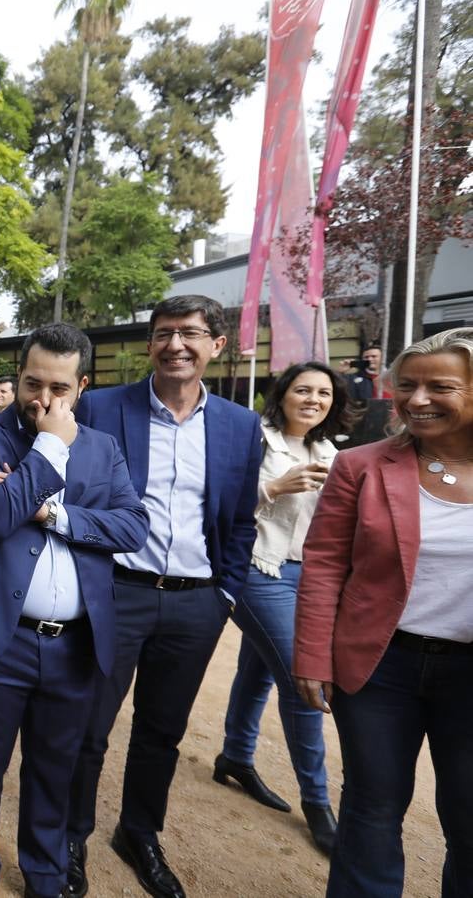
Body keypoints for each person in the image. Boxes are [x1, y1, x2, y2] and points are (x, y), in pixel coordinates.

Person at [0, 323, 149, 898]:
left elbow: (134, 526)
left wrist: (56, 515)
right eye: (33, 384)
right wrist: (51, 446)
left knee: (54, 773)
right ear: (19, 376)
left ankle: (44, 877)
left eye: (59, 388)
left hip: (75, 645)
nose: (44, 400)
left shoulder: (105, 449)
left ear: (82, 384)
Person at [65, 295, 263, 898]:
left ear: (216, 346)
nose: (176, 344)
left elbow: (240, 521)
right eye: (163, 333)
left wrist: (224, 594)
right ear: (149, 344)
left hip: (195, 604)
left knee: (162, 730)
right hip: (114, 594)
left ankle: (139, 832)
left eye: (191, 334)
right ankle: (70, 838)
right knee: (89, 726)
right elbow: (70, 491)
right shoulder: (100, 407)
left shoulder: (240, 424)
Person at [295, 327, 473, 898]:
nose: (416, 400)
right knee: (372, 809)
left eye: (439, 386)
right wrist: (312, 657)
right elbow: (323, 564)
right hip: (380, 668)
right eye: (407, 386)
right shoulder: (361, 466)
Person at [212, 362, 359, 856]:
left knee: (258, 669)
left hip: (306, 575)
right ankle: (319, 806)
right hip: (255, 567)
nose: (313, 399)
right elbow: (218, 500)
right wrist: (275, 487)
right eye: (303, 390)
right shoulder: (255, 437)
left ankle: (234, 756)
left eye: (323, 392)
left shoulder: (330, 452)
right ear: (284, 394)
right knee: (304, 680)